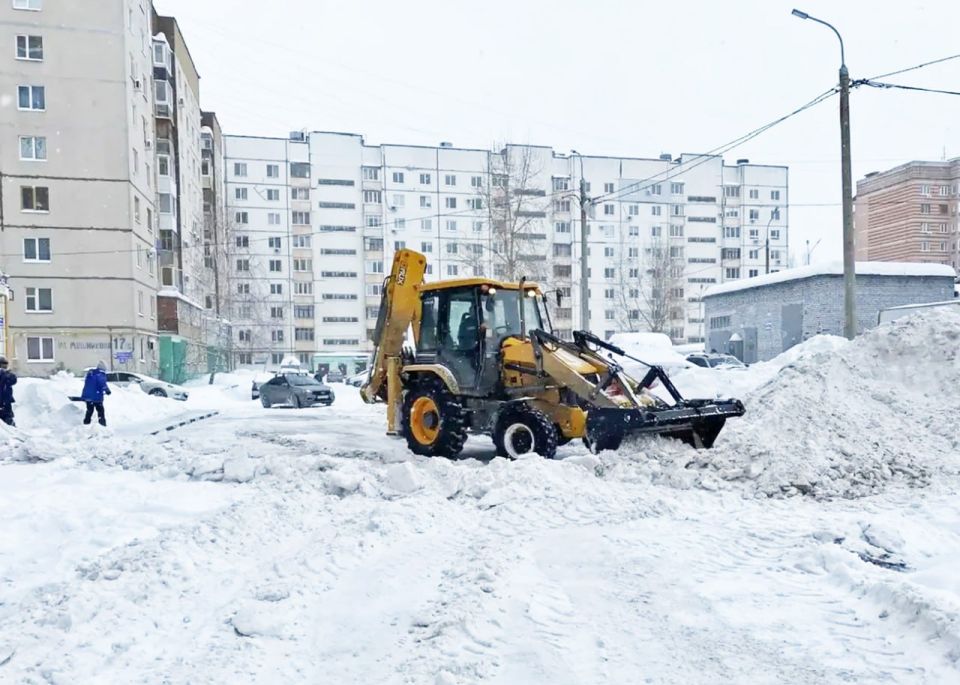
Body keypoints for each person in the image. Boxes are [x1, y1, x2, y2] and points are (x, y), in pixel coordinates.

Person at [81, 360, 111, 426]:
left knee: (89, 410)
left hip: (87, 396)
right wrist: (107, 390)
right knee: (100, 411)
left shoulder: (91, 373)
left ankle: (86, 424)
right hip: (96, 396)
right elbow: (102, 384)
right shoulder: (101, 374)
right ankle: (102, 425)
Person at [0, 355, 17, 427]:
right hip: (2, 401)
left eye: (6, 364)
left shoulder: (8, 374)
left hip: (6, 402)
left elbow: (13, 380)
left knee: (8, 420)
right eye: (3, 364)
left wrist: (5, 373)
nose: (5, 367)